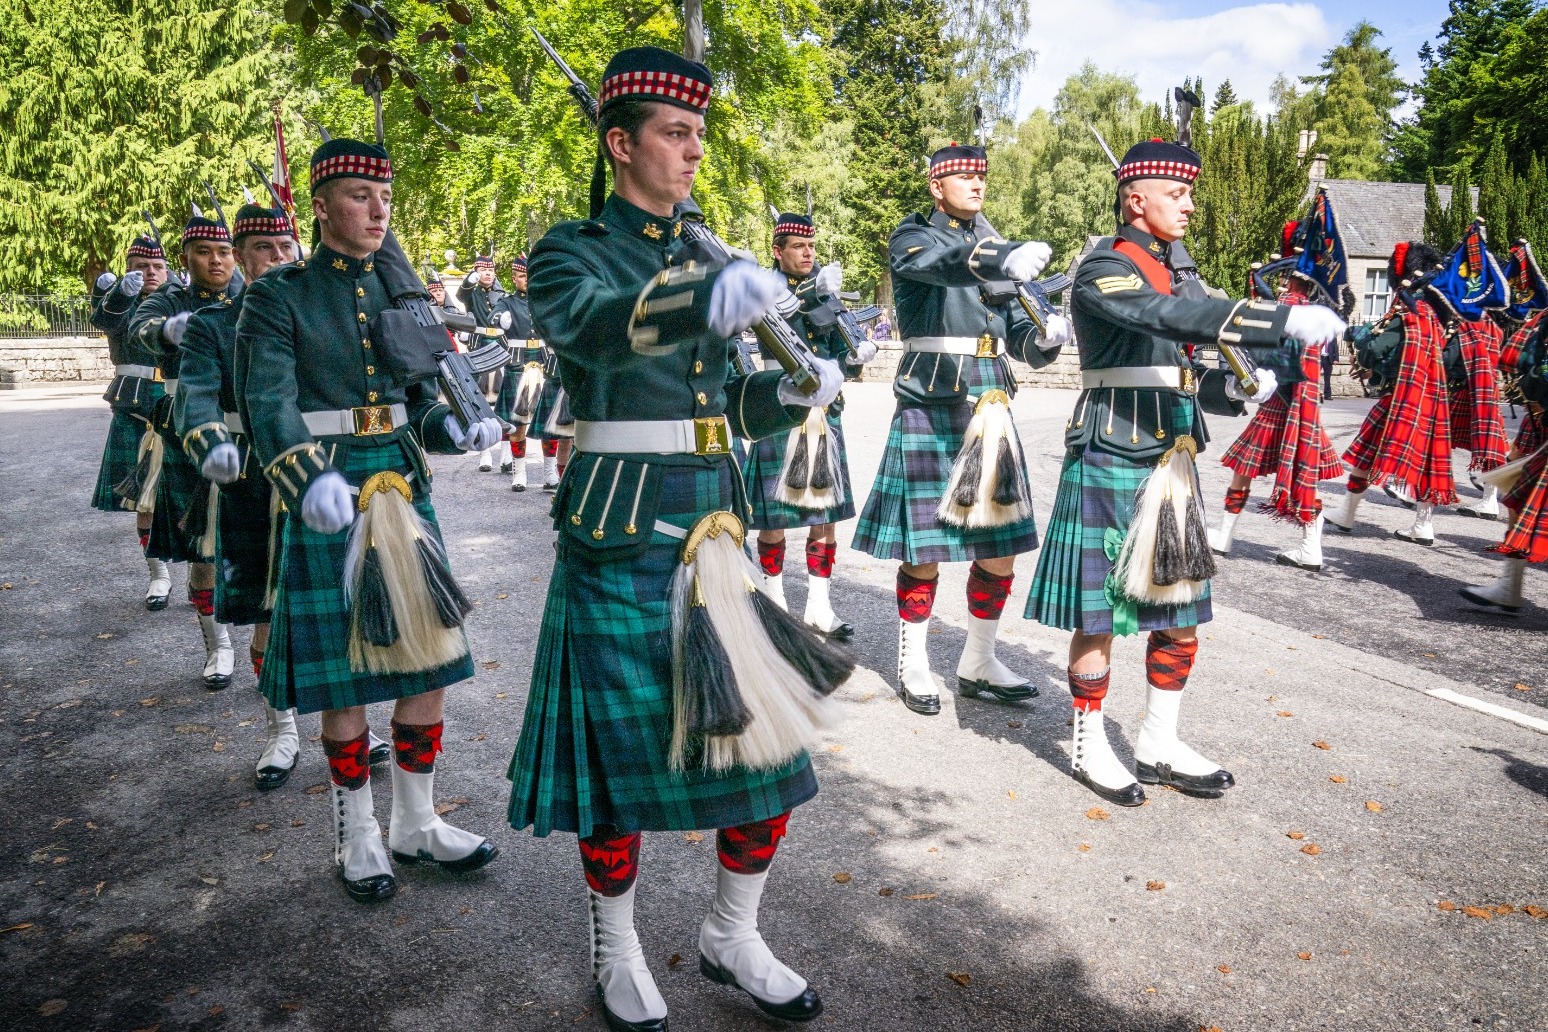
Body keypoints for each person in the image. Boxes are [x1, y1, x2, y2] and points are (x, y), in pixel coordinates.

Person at [507, 46, 849, 1031]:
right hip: (620, 527)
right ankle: (615, 949)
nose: (694, 151)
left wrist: (783, 393)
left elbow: (721, 403)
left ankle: (732, 935)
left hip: (715, 520)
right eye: (675, 133)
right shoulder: (572, 250)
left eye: (700, 135)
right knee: (618, 770)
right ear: (620, 144)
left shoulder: (705, 251)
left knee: (765, 749)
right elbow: (592, 328)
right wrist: (704, 296)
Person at [1024, 133, 1346, 806]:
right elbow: (1160, 315)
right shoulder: (1106, 265)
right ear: (1134, 199)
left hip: (1172, 450)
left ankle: (1158, 739)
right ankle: (1088, 743)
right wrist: (1274, 318)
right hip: (1114, 446)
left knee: (1179, 610)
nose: (1190, 205)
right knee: (1103, 611)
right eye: (1178, 194)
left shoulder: (1178, 271)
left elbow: (1188, 359)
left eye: (1191, 193)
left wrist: (1236, 387)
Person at [236, 137, 502, 902]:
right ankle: (357, 833)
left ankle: (415, 821)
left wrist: (455, 426)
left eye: (384, 196)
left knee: (431, 657)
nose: (378, 209)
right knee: (343, 676)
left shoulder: (399, 293)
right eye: (359, 195)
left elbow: (418, 390)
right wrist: (299, 474)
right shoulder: (277, 295)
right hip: (328, 485)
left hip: (398, 481)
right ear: (319, 207)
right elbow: (266, 404)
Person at [851, 142, 1070, 716]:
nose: (977, 183)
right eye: (964, 176)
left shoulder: (997, 244)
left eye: (982, 175)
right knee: (925, 546)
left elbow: (1016, 329)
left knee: (1000, 544)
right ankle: (914, 662)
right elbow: (932, 266)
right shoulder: (914, 235)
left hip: (990, 396)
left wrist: (1042, 337)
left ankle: (978, 660)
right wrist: (995, 258)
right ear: (936, 185)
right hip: (933, 393)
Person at [176, 203, 301, 788]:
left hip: (322, 475)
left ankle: (344, 719)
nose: (277, 259)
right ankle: (282, 728)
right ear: (241, 257)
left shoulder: (320, 309)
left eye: (285, 248)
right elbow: (195, 395)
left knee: (334, 610)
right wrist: (209, 440)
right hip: (249, 478)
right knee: (267, 614)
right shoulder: (212, 325)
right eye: (263, 250)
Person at [744, 212, 878, 637]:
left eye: (812, 246)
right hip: (778, 408)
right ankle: (774, 601)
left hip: (824, 413)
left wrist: (854, 359)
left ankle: (819, 605)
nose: (808, 253)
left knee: (825, 515)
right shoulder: (761, 288)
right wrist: (805, 296)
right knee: (774, 517)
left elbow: (839, 354)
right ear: (777, 250)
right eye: (798, 247)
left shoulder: (827, 293)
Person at [128, 212, 240, 688]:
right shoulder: (169, 298)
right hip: (189, 436)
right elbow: (142, 331)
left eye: (224, 251)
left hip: (253, 437)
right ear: (185, 258)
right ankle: (218, 647)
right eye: (203, 252)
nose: (216, 261)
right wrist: (172, 330)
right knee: (204, 550)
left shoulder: (249, 295)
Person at [1208, 202, 1351, 571]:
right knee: (1305, 471)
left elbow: (1256, 348)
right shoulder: (1320, 312)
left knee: (1244, 465)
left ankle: (1226, 533)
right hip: (1305, 404)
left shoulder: (1285, 305)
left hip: (1280, 400)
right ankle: (1310, 545)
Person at [1327, 242, 1454, 543]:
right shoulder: (1437, 316)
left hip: (1401, 398)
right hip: (1432, 398)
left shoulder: (1406, 312)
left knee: (1364, 454)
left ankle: (1347, 511)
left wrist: (1359, 338)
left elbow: (1375, 349)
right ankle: (1423, 525)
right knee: (1427, 461)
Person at [90, 234, 171, 606]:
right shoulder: (119, 303)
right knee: (143, 500)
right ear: (129, 271)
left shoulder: (178, 299)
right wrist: (119, 293)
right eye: (142, 267)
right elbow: (103, 319)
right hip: (135, 407)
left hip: (176, 406)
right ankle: (158, 575)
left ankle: (204, 571)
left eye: (157, 266)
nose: (151, 272)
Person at [491, 254, 548, 491]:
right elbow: (492, 317)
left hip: (545, 362)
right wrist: (499, 319)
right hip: (519, 364)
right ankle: (520, 472)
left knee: (549, 423)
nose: (528, 280)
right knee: (518, 422)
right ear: (514, 278)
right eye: (524, 276)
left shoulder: (544, 299)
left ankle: (550, 472)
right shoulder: (507, 302)